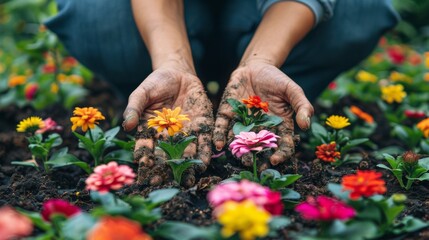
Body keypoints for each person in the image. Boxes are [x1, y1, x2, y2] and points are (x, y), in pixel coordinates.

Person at [45, 0, 399, 185]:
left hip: (261, 11)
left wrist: (260, 62)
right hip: (170, 13)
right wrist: (172, 63)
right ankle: (155, 69)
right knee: (93, 14)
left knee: (362, 8)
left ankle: (268, 69)